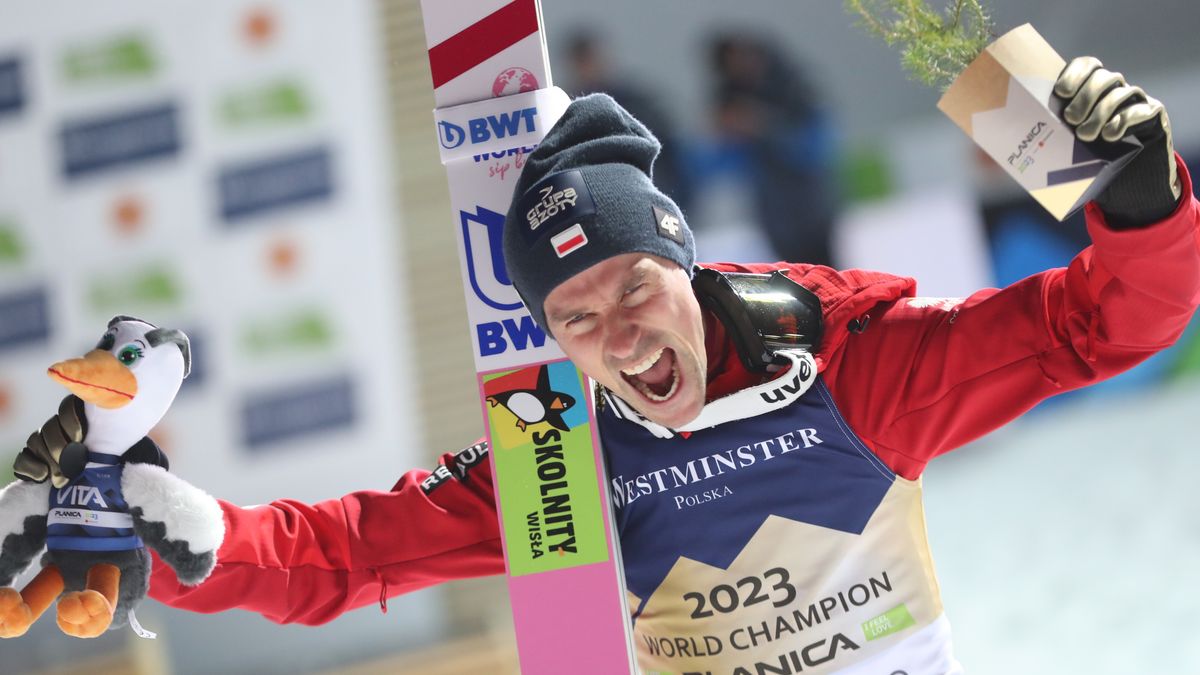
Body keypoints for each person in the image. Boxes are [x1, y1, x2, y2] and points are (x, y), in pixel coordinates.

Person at [13, 56, 1199, 673]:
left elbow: (1093, 329)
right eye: (577, 319)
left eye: (636, 285)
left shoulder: (853, 368)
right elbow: (347, 556)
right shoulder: (557, 457)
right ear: (553, 343)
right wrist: (205, 542)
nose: (622, 332)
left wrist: (1145, 208)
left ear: (688, 263)